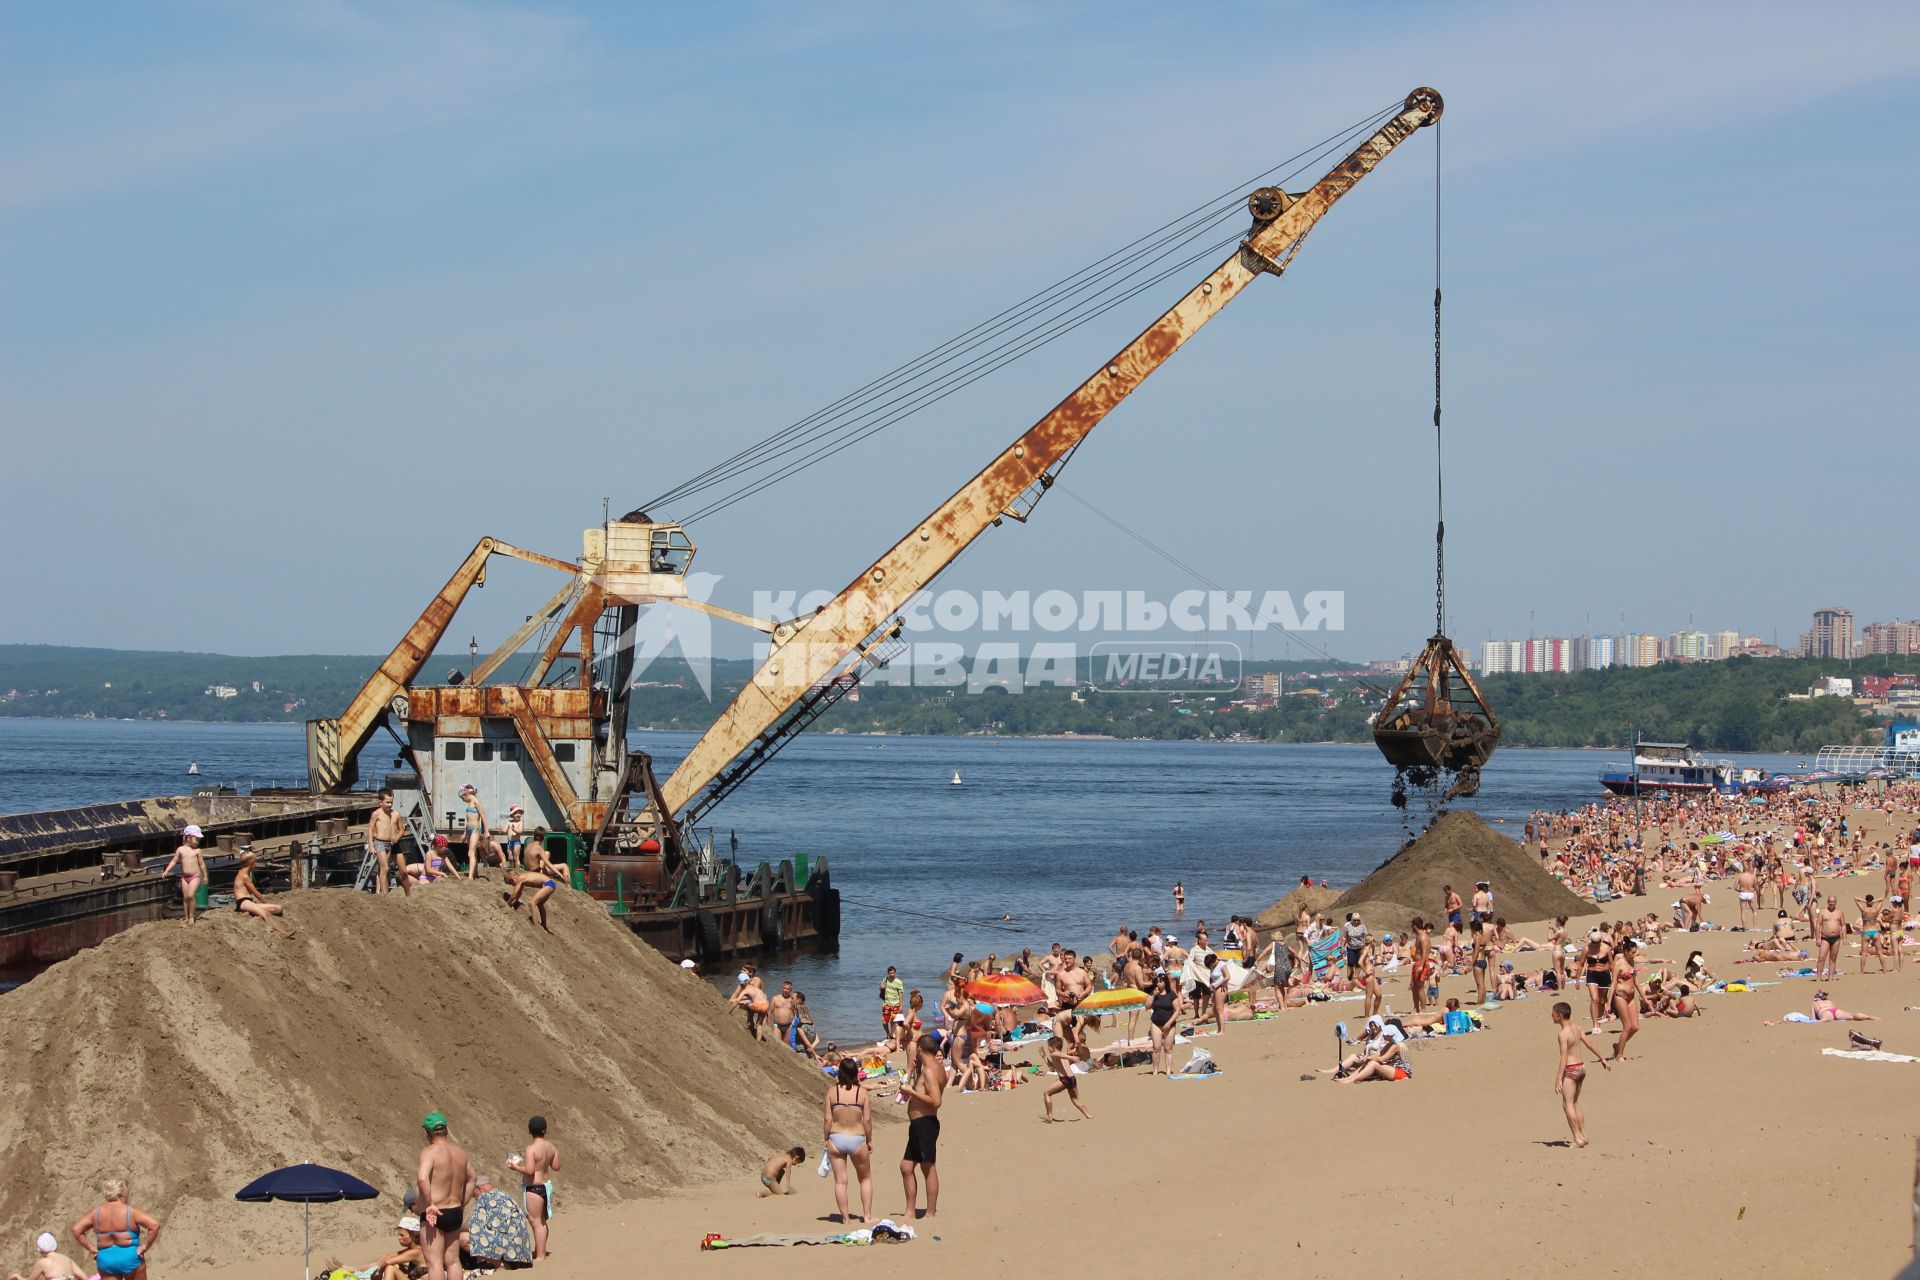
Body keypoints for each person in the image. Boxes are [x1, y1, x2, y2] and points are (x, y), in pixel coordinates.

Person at [415, 1111, 474, 1280]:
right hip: (454, 1211)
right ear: (446, 1130)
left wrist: (429, 1204)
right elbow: (472, 1179)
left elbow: (422, 1178)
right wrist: (462, 1203)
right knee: (453, 1261)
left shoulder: (430, 1152)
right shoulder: (460, 1153)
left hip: (435, 1212)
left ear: (427, 1133)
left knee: (435, 1264)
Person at [69, 1179, 160, 1279]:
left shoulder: (95, 1213)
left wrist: (92, 1249)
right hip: (130, 1256)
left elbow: (76, 1229)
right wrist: (145, 1247)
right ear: (121, 1194)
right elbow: (154, 1225)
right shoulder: (130, 1211)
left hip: (106, 1259)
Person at [1550, 1001, 1610, 1148]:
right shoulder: (1577, 1027)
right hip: (1581, 1068)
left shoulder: (1563, 1034)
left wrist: (1558, 1077)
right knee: (1575, 1102)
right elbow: (1589, 1043)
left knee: (1567, 1104)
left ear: (1560, 1015)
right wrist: (1602, 1058)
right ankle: (1583, 1135)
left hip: (1571, 1069)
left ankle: (1578, 1138)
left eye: (1553, 1014)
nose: (1551, 1016)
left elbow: (1564, 1056)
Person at [899, 1032, 945, 1220]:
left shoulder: (930, 1070)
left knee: (928, 1167)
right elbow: (923, 1088)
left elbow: (935, 1100)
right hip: (918, 1124)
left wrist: (910, 1091)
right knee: (906, 1167)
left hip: (925, 1123)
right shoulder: (931, 1067)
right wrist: (911, 1070)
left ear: (919, 1049)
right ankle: (910, 1210)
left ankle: (930, 1212)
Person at [824, 1058, 874, 1225]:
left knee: (840, 1181)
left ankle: (845, 1218)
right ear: (855, 1073)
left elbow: (827, 1119)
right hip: (856, 1138)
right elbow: (867, 1121)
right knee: (865, 1178)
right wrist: (869, 1140)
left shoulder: (832, 1092)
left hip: (836, 1137)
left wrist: (825, 1139)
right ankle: (866, 1216)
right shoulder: (862, 1093)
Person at [509, 1114, 561, 1260]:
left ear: (530, 1131)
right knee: (542, 1221)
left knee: (535, 1221)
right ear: (545, 1130)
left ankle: (540, 1255)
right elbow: (556, 1167)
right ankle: (541, 1250)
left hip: (533, 1187)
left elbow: (530, 1171)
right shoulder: (551, 1147)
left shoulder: (531, 1148)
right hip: (545, 1186)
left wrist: (515, 1167)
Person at [461, 1173, 533, 1270]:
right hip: (522, 1251)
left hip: (506, 1248)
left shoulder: (483, 1198)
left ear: (478, 1188)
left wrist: (456, 1227)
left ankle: (499, 1264)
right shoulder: (506, 1196)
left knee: (462, 1238)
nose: (474, 1196)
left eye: (474, 1193)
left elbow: (474, 1226)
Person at [502, 839, 569, 931]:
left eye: (511, 883)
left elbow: (514, 895)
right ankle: (544, 926)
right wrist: (513, 902)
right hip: (550, 884)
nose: (513, 885)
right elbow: (518, 894)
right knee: (540, 904)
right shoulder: (523, 878)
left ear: (512, 879)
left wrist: (507, 904)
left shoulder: (521, 878)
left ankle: (536, 927)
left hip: (548, 884)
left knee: (532, 903)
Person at [231, 849, 293, 937]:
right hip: (244, 902)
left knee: (278, 908)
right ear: (252, 862)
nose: (256, 864)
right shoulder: (244, 876)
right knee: (265, 913)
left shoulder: (241, 872)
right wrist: (265, 902)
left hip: (248, 902)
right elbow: (256, 893)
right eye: (255, 862)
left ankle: (251, 912)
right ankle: (283, 932)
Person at [160, 825, 206, 925]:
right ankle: (186, 917)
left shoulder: (197, 851)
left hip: (195, 876)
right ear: (188, 838)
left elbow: (202, 864)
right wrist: (167, 870)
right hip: (185, 877)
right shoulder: (180, 849)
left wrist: (205, 876)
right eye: (196, 839)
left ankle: (192, 917)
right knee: (185, 897)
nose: (198, 841)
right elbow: (174, 861)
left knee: (190, 895)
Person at [1041, 1035, 1092, 1122]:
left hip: (1065, 1079)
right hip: (1072, 1078)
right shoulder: (1062, 1055)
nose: (1048, 1048)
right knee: (1075, 1100)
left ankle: (1049, 1116)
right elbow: (1053, 1068)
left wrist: (1071, 1057)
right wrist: (1044, 1056)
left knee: (1046, 1093)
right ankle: (1088, 1115)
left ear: (1052, 1047)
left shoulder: (1055, 1054)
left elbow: (1057, 1054)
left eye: (1048, 1046)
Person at [367, 791, 409, 896]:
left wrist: (397, 837)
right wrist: (371, 846)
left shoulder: (396, 814)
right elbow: (370, 830)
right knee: (385, 868)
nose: (390, 805)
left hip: (390, 843)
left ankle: (408, 894)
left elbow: (402, 830)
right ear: (380, 802)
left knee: (389, 869)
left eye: (391, 802)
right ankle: (384, 894)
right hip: (379, 842)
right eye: (387, 802)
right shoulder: (376, 813)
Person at [8, 1231, 83, 1280]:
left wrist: (17, 1276)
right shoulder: (67, 1260)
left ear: (40, 1250)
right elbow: (84, 1277)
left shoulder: (42, 1263)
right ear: (55, 1246)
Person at [1147, 972, 1182, 1074]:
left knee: (1168, 1049)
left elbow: (1177, 1010)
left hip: (1169, 1025)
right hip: (1156, 1023)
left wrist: (1168, 1023)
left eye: (1161, 982)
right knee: (1156, 1048)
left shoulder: (1171, 994)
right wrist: (1153, 995)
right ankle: (1155, 1071)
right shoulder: (1154, 994)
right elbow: (1147, 1006)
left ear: (1165, 983)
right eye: (1157, 982)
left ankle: (1168, 1070)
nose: (1158, 984)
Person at [880, 966, 904, 1038]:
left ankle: (892, 1035)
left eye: (893, 973)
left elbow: (901, 994)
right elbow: (880, 988)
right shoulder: (885, 979)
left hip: (896, 1004)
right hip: (887, 1003)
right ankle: (888, 1033)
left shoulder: (899, 982)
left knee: (893, 1022)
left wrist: (901, 1005)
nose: (892, 975)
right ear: (888, 973)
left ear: (895, 972)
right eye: (890, 973)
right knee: (884, 1021)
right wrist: (881, 987)